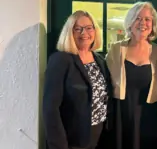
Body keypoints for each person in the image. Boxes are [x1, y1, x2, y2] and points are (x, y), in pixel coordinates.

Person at [43, 10, 113, 149]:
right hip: (72, 141)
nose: (84, 33)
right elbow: (50, 109)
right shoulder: (60, 60)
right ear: (70, 33)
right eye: (78, 29)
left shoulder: (99, 59)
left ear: (95, 30)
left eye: (88, 28)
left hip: (98, 136)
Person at [106, 1, 157, 149]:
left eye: (147, 19)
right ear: (130, 22)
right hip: (120, 115)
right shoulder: (116, 49)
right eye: (138, 18)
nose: (142, 23)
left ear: (153, 24)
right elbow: (104, 83)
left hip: (149, 116)